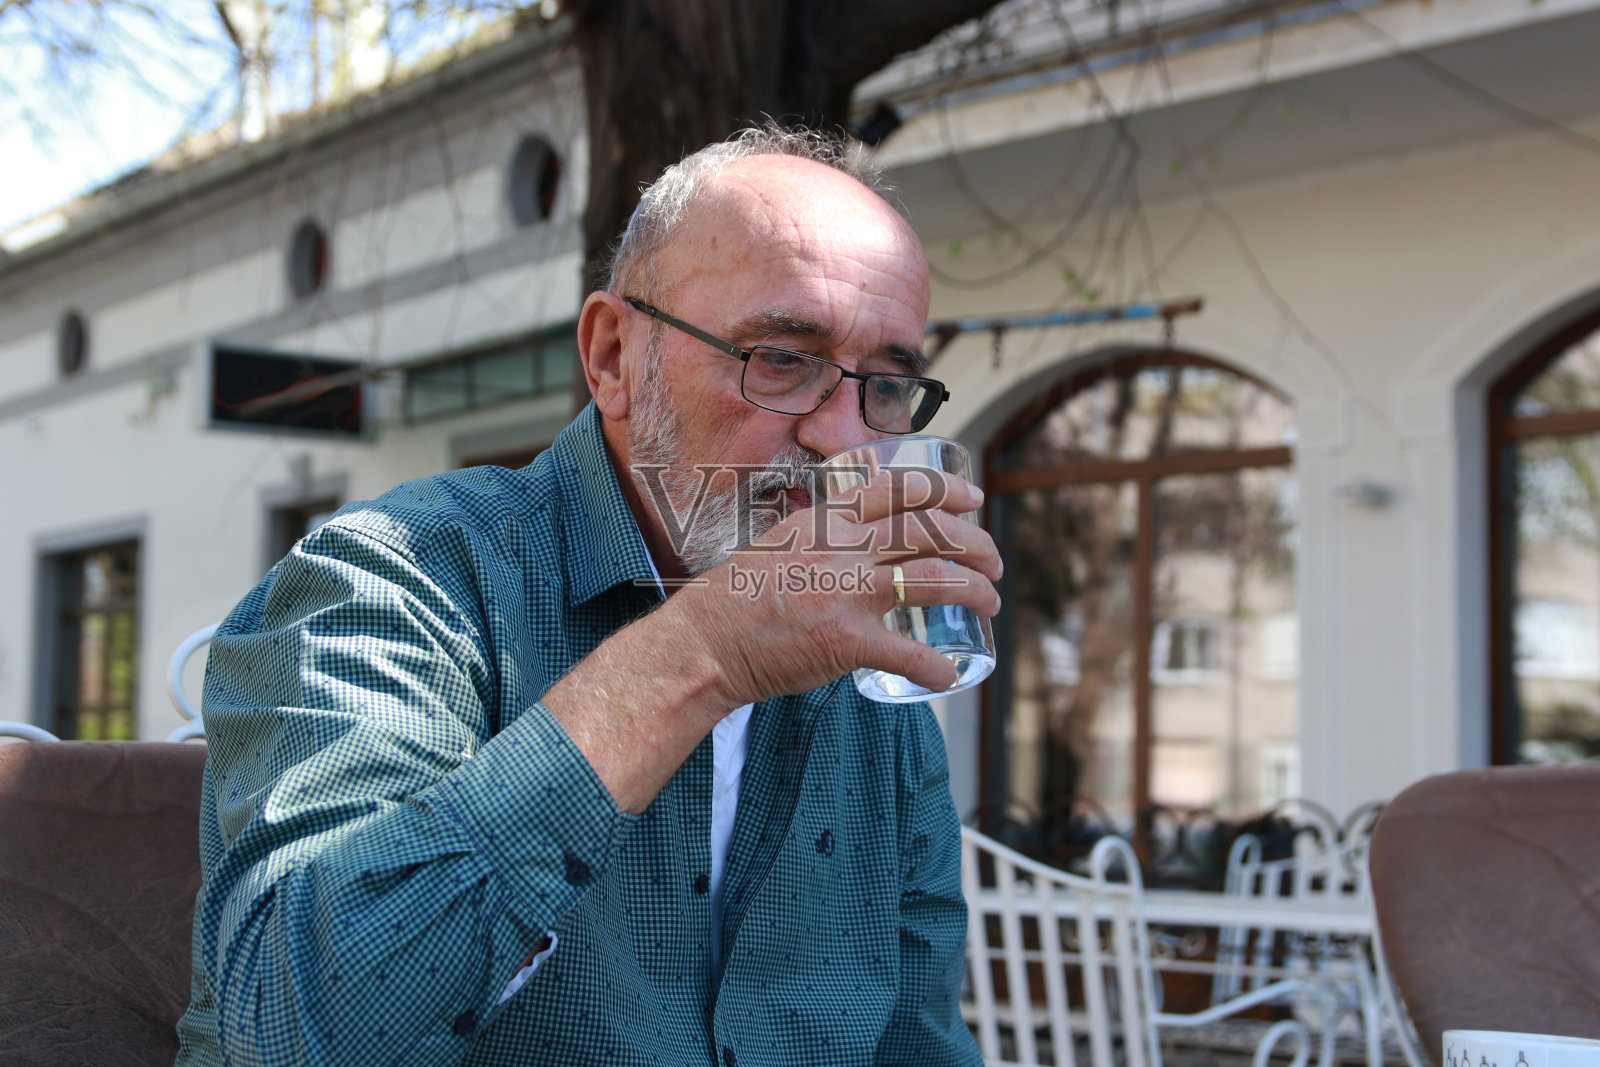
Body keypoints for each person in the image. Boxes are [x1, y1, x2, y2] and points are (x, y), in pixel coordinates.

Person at [176, 125, 1001, 1067]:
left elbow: (918, 1041)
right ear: (613, 356)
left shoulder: (871, 687)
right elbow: (291, 1027)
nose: (845, 438)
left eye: (886, 386)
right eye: (781, 359)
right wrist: (707, 651)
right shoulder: (396, 577)